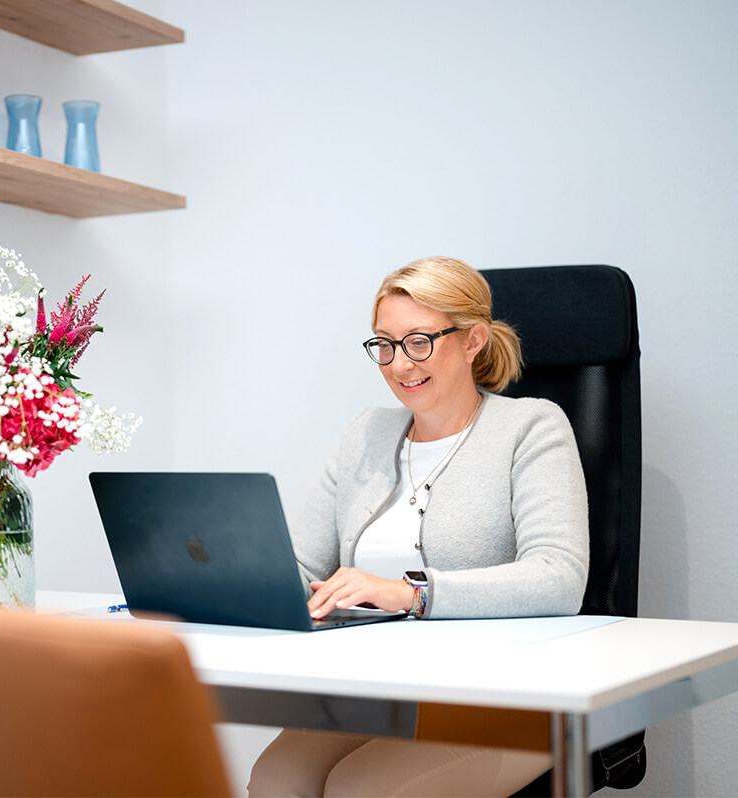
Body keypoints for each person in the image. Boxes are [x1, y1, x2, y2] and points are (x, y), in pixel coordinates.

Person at [247, 256, 589, 798]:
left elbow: (559, 577)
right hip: (380, 689)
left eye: (419, 341)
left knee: (362, 788)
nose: (399, 364)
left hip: (505, 696)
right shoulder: (368, 433)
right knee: (276, 778)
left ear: (474, 339)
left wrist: (409, 593)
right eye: (383, 343)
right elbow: (301, 566)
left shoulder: (531, 427)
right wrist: (233, 584)